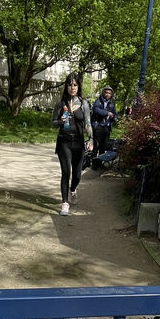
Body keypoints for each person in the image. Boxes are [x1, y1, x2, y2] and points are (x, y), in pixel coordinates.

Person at [51, 73, 93, 216]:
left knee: (77, 175)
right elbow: (53, 124)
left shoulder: (83, 103)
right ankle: (64, 203)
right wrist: (60, 122)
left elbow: (88, 123)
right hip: (64, 141)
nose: (72, 87)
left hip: (79, 142)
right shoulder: (60, 103)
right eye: (70, 84)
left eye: (75, 85)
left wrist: (91, 139)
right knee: (66, 173)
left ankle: (73, 189)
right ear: (66, 86)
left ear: (78, 86)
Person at [91, 85, 116, 157]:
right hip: (98, 126)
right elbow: (96, 109)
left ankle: (99, 163)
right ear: (103, 93)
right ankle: (94, 163)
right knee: (96, 145)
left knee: (103, 147)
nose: (107, 94)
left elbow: (114, 113)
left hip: (106, 128)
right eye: (106, 92)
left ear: (111, 95)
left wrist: (113, 117)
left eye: (109, 93)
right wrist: (107, 113)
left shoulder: (111, 103)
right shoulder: (98, 101)